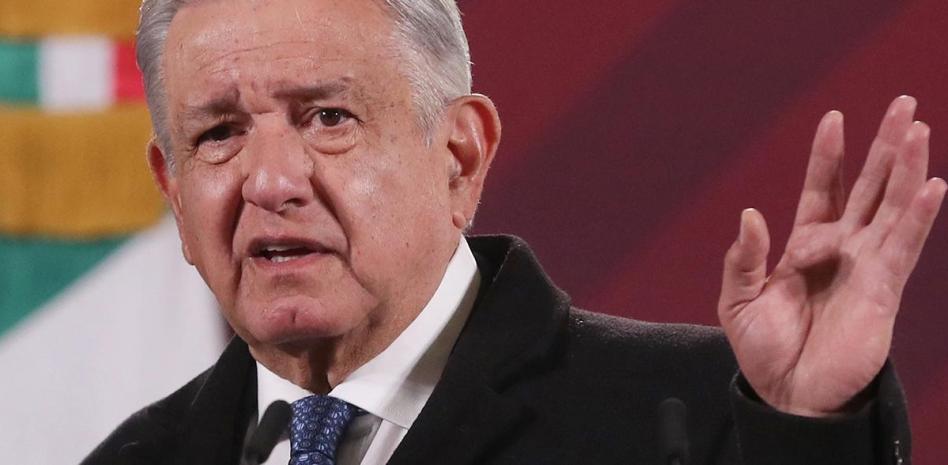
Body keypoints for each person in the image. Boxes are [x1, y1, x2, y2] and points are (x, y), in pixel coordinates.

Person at [82, 0, 945, 464]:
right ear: (175, 194)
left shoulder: (699, 417)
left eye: (327, 117)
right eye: (219, 133)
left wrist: (812, 435)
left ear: (459, 158)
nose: (270, 180)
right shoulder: (134, 458)